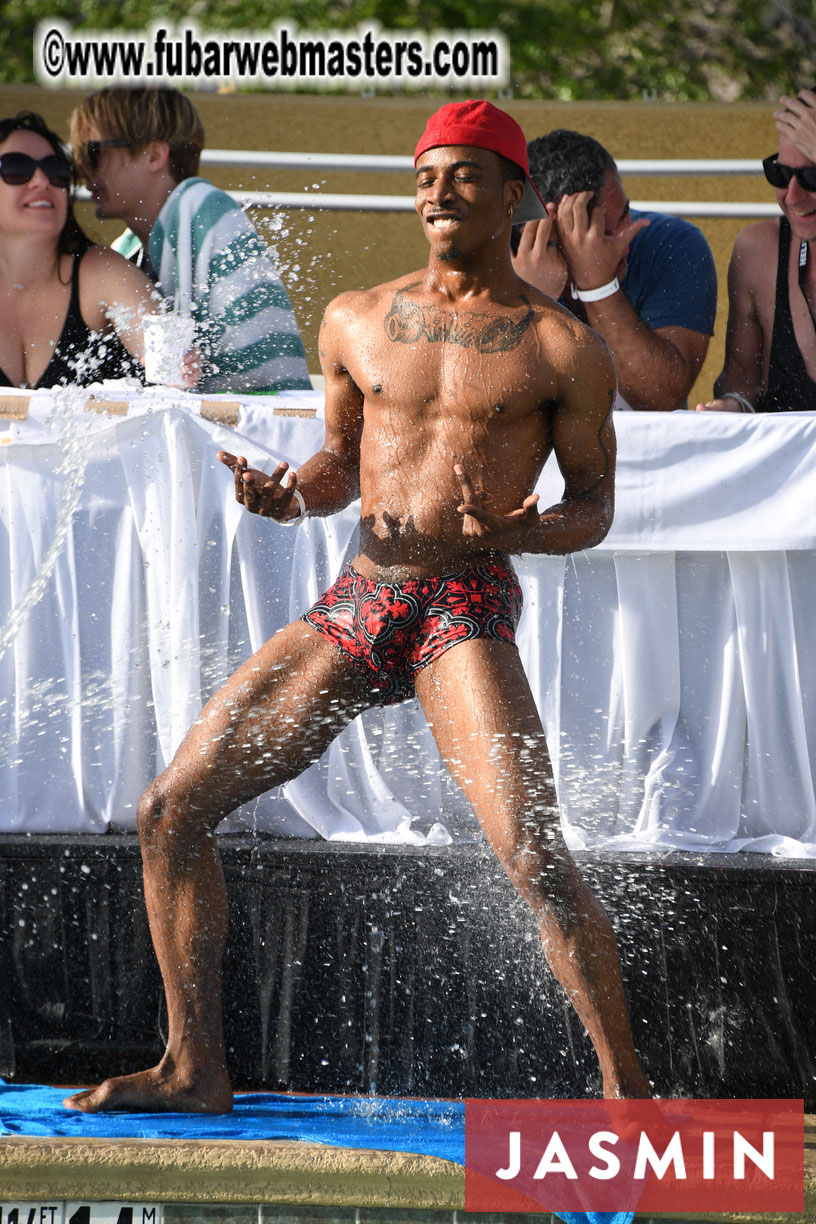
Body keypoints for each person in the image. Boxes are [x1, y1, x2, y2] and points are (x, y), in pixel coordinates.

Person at [63, 99, 650, 1114]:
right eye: (425, 173)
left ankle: (629, 1095)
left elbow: (594, 508)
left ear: (513, 194)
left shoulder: (562, 349)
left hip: (461, 606)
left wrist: (514, 532)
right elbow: (339, 463)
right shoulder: (357, 317)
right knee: (170, 810)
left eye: (463, 174)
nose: (436, 190)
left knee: (534, 857)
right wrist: (290, 493)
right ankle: (193, 1066)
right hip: (359, 597)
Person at [69, 87, 311, 395]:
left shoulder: (204, 209)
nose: (82, 169)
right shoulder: (127, 249)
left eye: (93, 153)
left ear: (154, 155)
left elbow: (260, 377)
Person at [514, 129, 717, 412]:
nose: (625, 239)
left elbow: (659, 397)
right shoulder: (499, 259)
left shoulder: (671, 242)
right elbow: (478, 404)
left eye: (625, 214)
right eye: (603, 234)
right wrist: (527, 302)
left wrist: (596, 285)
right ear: (545, 235)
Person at [0, 111, 158, 389]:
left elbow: (166, 355)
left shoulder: (101, 274)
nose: (41, 181)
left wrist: (171, 363)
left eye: (55, 171)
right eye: (16, 169)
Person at [697, 87, 816, 413]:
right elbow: (742, 379)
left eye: (811, 176)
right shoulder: (759, 251)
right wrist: (732, 406)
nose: (792, 197)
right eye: (781, 173)